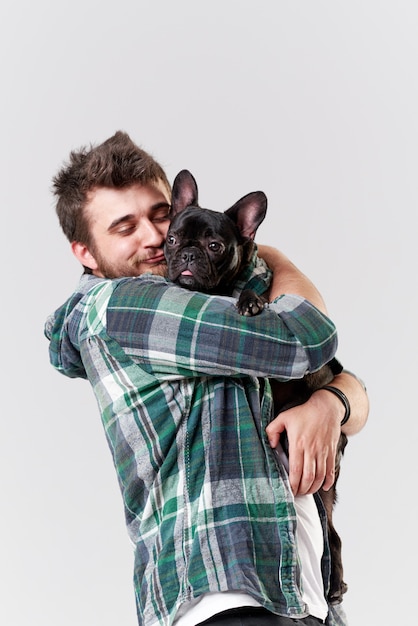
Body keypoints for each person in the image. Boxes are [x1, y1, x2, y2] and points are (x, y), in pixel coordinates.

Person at [45, 131, 368, 626]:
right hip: (223, 594)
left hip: (301, 593)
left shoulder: (213, 305)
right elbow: (307, 339)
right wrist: (274, 259)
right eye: (124, 227)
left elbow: (353, 391)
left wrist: (330, 404)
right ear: (86, 253)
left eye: (159, 217)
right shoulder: (124, 305)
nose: (154, 238)